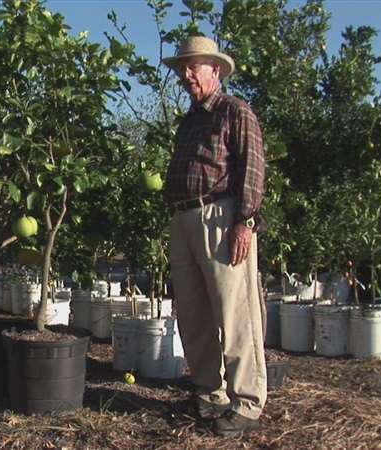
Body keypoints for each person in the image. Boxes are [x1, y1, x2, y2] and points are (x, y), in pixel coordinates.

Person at [161, 36, 267, 436]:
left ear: (215, 70)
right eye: (183, 69)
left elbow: (252, 169)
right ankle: (210, 393)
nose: (187, 75)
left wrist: (246, 221)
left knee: (235, 311)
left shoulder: (233, 111)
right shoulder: (189, 121)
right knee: (193, 312)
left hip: (220, 216)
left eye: (194, 67)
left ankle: (248, 400)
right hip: (184, 218)